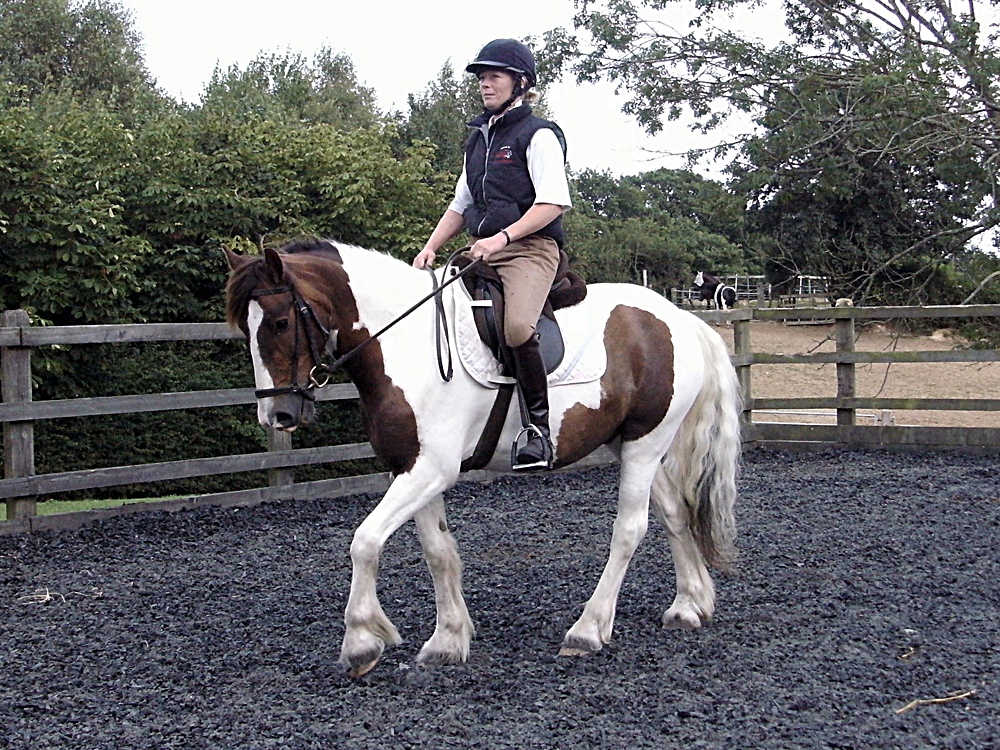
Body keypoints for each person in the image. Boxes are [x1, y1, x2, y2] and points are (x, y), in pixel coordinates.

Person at [413, 38, 572, 472]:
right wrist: (430, 247)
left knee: (517, 328)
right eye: (482, 77)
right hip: (482, 250)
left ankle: (537, 431)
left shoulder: (538, 135)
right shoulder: (478, 140)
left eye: (494, 76)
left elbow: (553, 204)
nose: (485, 84)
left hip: (529, 249)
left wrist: (502, 238)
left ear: (520, 82)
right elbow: (460, 204)